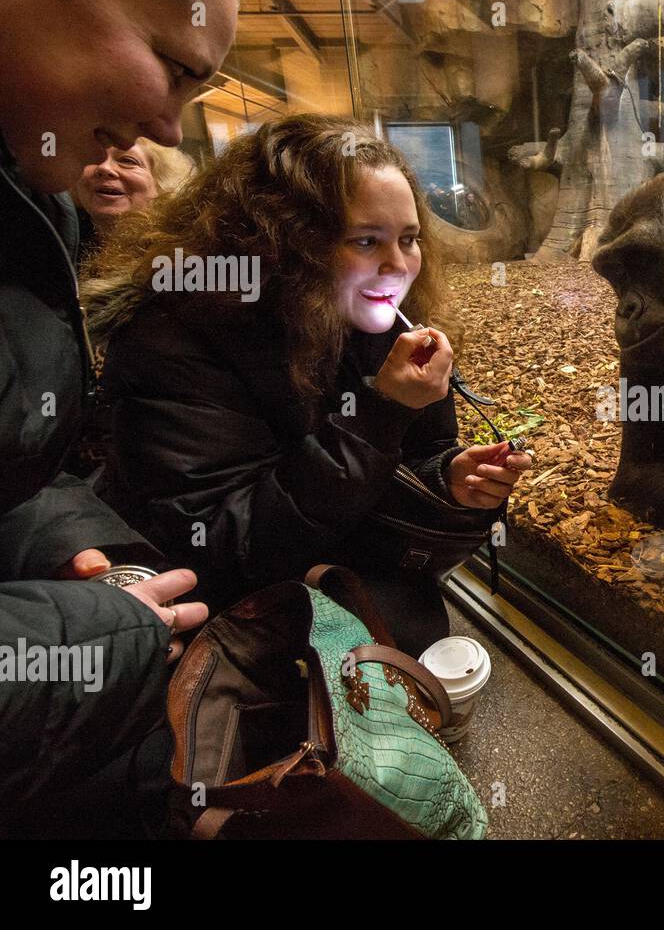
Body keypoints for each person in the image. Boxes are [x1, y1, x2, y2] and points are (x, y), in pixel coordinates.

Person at [86, 114, 532, 654]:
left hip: (329, 550)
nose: (397, 266)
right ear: (281, 245)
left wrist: (449, 480)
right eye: (366, 241)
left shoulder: (378, 318)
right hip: (216, 598)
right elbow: (228, 538)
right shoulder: (174, 336)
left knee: (411, 624)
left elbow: (420, 454)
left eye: (409, 239)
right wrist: (381, 411)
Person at [0, 0, 241, 835]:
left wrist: (82, 545)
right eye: (174, 65)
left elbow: (18, 467)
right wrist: (91, 634)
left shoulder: (30, 201)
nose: (171, 125)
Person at [72, 139, 195, 262]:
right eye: (93, 158)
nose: (104, 168)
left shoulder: (182, 253)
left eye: (127, 161)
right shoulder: (59, 237)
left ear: (162, 183)